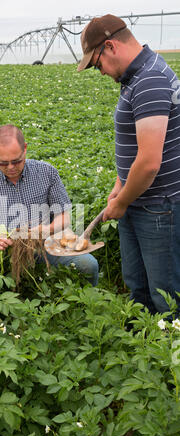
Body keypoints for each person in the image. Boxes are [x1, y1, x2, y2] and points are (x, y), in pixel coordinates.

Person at [77, 14, 180, 317]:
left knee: (166, 297)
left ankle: (169, 358)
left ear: (110, 46)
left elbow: (148, 163)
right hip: (138, 200)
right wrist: (120, 185)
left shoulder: (149, 80)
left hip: (157, 207)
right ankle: (145, 352)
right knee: (138, 286)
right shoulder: (135, 77)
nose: (99, 72)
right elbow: (137, 149)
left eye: (97, 64)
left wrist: (121, 202)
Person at [0, 124, 99, 286]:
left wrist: (47, 230)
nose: (11, 168)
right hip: (5, 251)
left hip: (47, 245)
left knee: (88, 265)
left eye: (16, 161)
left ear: (25, 148)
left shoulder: (47, 173)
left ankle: (86, 302)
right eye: (3, 163)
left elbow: (64, 217)